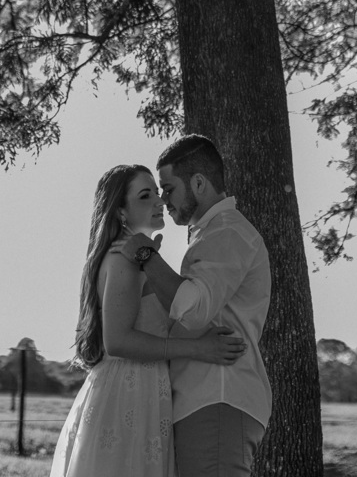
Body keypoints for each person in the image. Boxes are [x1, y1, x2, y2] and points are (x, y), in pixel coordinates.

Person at [50, 164, 247, 477]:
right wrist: (199, 349)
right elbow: (118, 341)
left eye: (157, 192)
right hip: (128, 392)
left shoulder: (137, 257)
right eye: (145, 196)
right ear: (120, 212)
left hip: (145, 390)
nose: (159, 201)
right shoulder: (124, 259)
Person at [116, 135, 272, 477]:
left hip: (217, 397)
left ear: (199, 183)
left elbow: (193, 308)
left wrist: (146, 255)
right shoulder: (212, 233)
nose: (163, 200)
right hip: (206, 400)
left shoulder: (227, 233)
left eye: (168, 188)